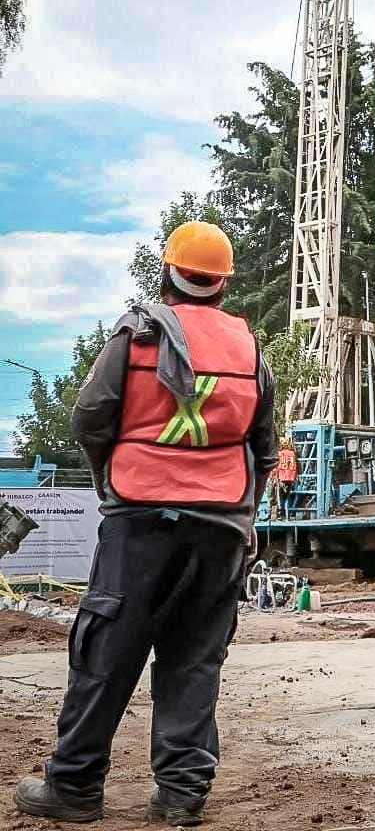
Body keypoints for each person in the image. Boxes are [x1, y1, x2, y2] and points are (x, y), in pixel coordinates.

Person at [14, 222, 278, 827]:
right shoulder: (246, 345)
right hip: (219, 527)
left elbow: (90, 416)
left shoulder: (137, 333)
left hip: (139, 520)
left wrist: (110, 477)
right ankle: (181, 795)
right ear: (222, 283)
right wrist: (241, 516)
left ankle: (74, 786)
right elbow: (263, 447)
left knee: (106, 650)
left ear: (168, 272)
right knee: (194, 657)